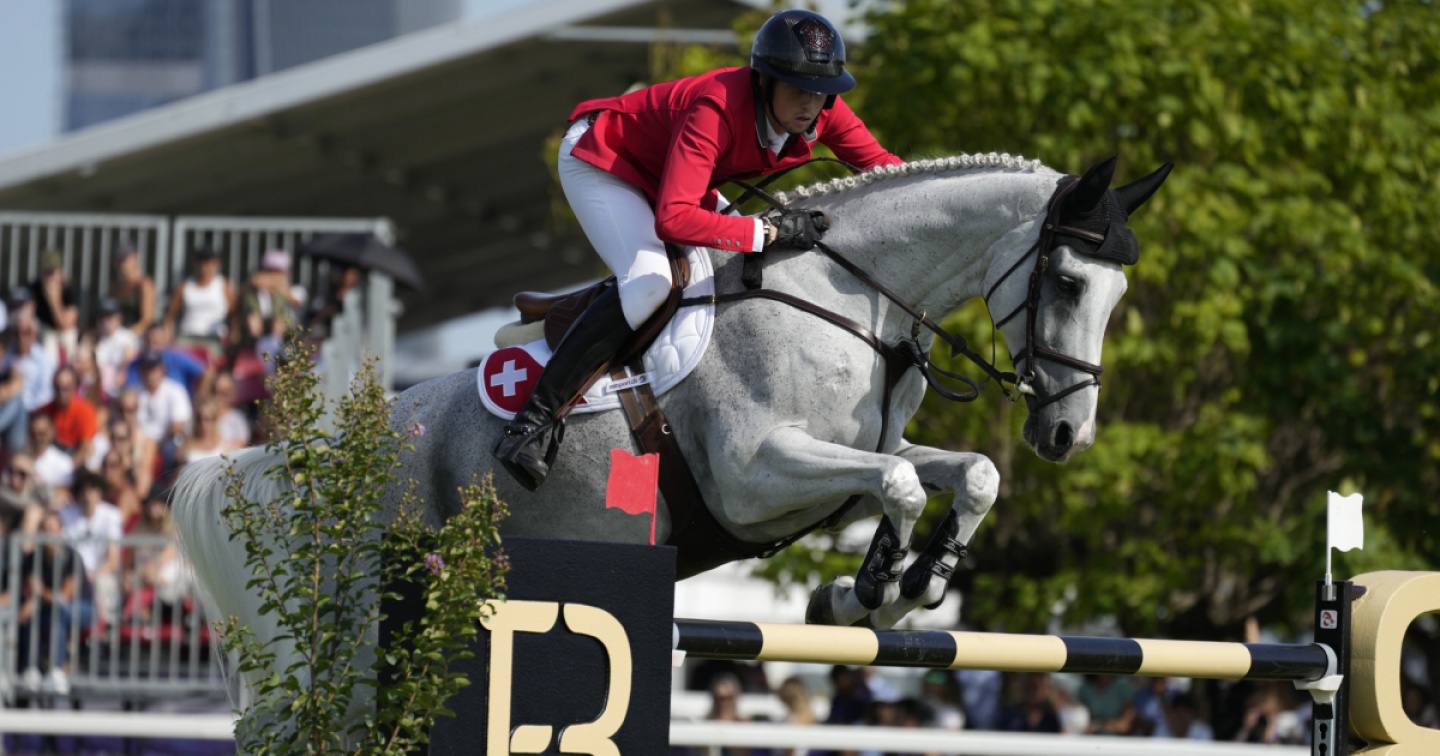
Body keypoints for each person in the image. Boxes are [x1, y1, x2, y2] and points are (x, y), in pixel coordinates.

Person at [493, 9, 904, 490]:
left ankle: (585, 324)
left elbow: (886, 173)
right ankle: (531, 425)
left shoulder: (822, 109)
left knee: (739, 262)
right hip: (605, 159)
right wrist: (765, 232)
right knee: (651, 284)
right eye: (797, 88)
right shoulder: (716, 107)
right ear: (764, 81)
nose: (810, 103)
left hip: (674, 176)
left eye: (821, 91)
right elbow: (673, 218)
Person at [18, 508, 93, 696]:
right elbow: (31, 588)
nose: (49, 533)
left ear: (60, 531)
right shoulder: (33, 558)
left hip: (82, 607)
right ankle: (30, 668)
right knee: (29, 616)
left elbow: (64, 597)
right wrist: (36, 601)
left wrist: (38, 598)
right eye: (45, 529)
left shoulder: (72, 556)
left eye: (52, 528)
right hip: (49, 608)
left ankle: (56, 670)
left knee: (57, 613)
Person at [163, 244, 234, 363]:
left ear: (216, 263)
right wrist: (168, 335)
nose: (204, 265)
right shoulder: (185, 286)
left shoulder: (223, 285)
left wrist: (233, 334)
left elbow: (234, 313)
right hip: (187, 336)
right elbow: (170, 314)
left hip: (214, 338)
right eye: (201, 261)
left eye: (208, 261)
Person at [37, 366, 99, 468]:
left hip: (74, 459)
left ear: (74, 387)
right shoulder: (43, 411)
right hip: (49, 459)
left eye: (66, 389)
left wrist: (67, 470)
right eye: (58, 388)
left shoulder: (85, 410)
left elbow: (85, 447)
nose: (61, 393)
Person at [27, 249, 78, 365]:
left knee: (68, 336)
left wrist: (54, 302)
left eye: (53, 272)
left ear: (60, 272)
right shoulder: (33, 289)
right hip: (42, 336)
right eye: (47, 272)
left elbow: (65, 324)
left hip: (63, 336)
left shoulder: (68, 290)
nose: (50, 278)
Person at [108, 242, 156, 337]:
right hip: (116, 335)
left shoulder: (144, 284)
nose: (122, 263)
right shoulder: (114, 287)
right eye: (119, 259)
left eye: (125, 258)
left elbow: (147, 320)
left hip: (138, 337)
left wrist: (126, 335)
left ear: (136, 258)